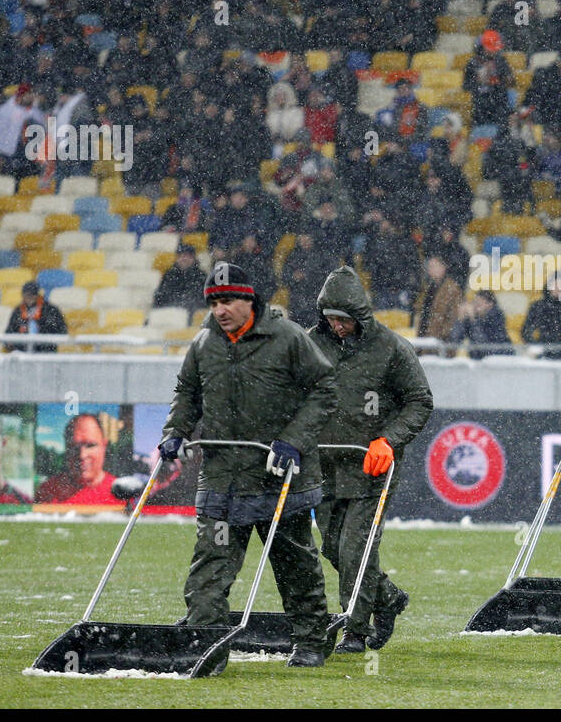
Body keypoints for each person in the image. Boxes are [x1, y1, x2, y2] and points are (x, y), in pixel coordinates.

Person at [161, 261, 339, 671]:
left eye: (228, 301)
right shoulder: (203, 343)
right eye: (214, 302)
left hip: (281, 480)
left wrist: (292, 440)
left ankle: (311, 640)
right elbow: (187, 392)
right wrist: (176, 430)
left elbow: (324, 390)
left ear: (249, 300)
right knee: (209, 570)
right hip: (222, 479)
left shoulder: (289, 337)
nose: (220, 310)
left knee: (295, 566)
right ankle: (206, 648)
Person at [308, 266, 433, 653]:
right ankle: (389, 597)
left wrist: (389, 441)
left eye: (343, 319)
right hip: (324, 466)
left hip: (372, 467)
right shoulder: (310, 343)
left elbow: (419, 401)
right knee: (331, 548)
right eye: (330, 319)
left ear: (359, 316)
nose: (337, 326)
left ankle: (355, 630)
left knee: (355, 550)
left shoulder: (392, 348)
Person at [34, 413, 120, 505]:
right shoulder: (48, 491)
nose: (82, 455)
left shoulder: (121, 492)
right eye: (74, 447)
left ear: (104, 446)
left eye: (90, 445)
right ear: (66, 449)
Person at [520, 274, 561, 359]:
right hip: (544, 355)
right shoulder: (538, 306)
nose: (557, 289)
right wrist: (534, 346)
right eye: (554, 285)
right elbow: (526, 331)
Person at [4, 282, 68, 353]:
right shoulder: (18, 311)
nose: (29, 298)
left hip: (46, 352)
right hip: (22, 353)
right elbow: (9, 332)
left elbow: (62, 330)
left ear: (37, 295)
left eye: (32, 295)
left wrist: (43, 332)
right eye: (26, 295)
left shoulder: (50, 310)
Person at [152, 243, 207, 316]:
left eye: (188, 256)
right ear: (177, 258)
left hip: (191, 315)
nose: (184, 258)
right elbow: (160, 297)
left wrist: (184, 307)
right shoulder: (169, 275)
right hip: (169, 314)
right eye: (181, 256)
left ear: (193, 258)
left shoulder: (201, 276)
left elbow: (202, 300)